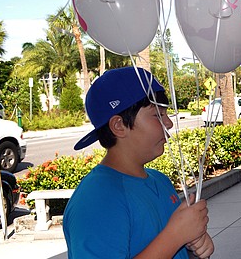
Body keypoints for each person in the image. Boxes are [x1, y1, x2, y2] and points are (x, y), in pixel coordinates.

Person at [63, 66, 214, 259]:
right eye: (157, 115)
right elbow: (170, 241)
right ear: (119, 126)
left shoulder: (160, 181)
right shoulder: (97, 198)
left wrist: (194, 247)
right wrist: (176, 235)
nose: (168, 123)